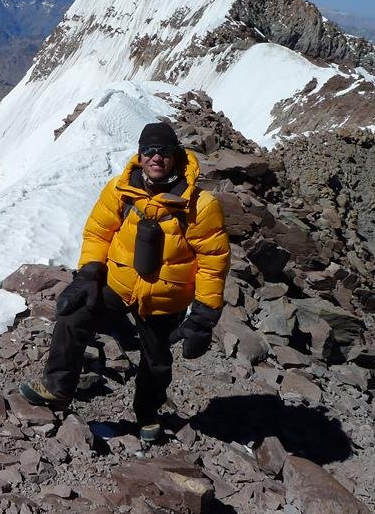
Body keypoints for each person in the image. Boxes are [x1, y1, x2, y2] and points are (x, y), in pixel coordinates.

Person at [20, 121, 230, 443]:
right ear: (139, 154)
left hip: (163, 300)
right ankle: (57, 388)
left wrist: (203, 316)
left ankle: (147, 414)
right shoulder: (121, 189)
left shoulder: (200, 206)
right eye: (148, 150)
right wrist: (89, 273)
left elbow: (212, 263)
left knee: (156, 363)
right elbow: (98, 232)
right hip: (120, 285)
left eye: (163, 150)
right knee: (74, 312)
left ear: (175, 155)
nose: (155, 157)